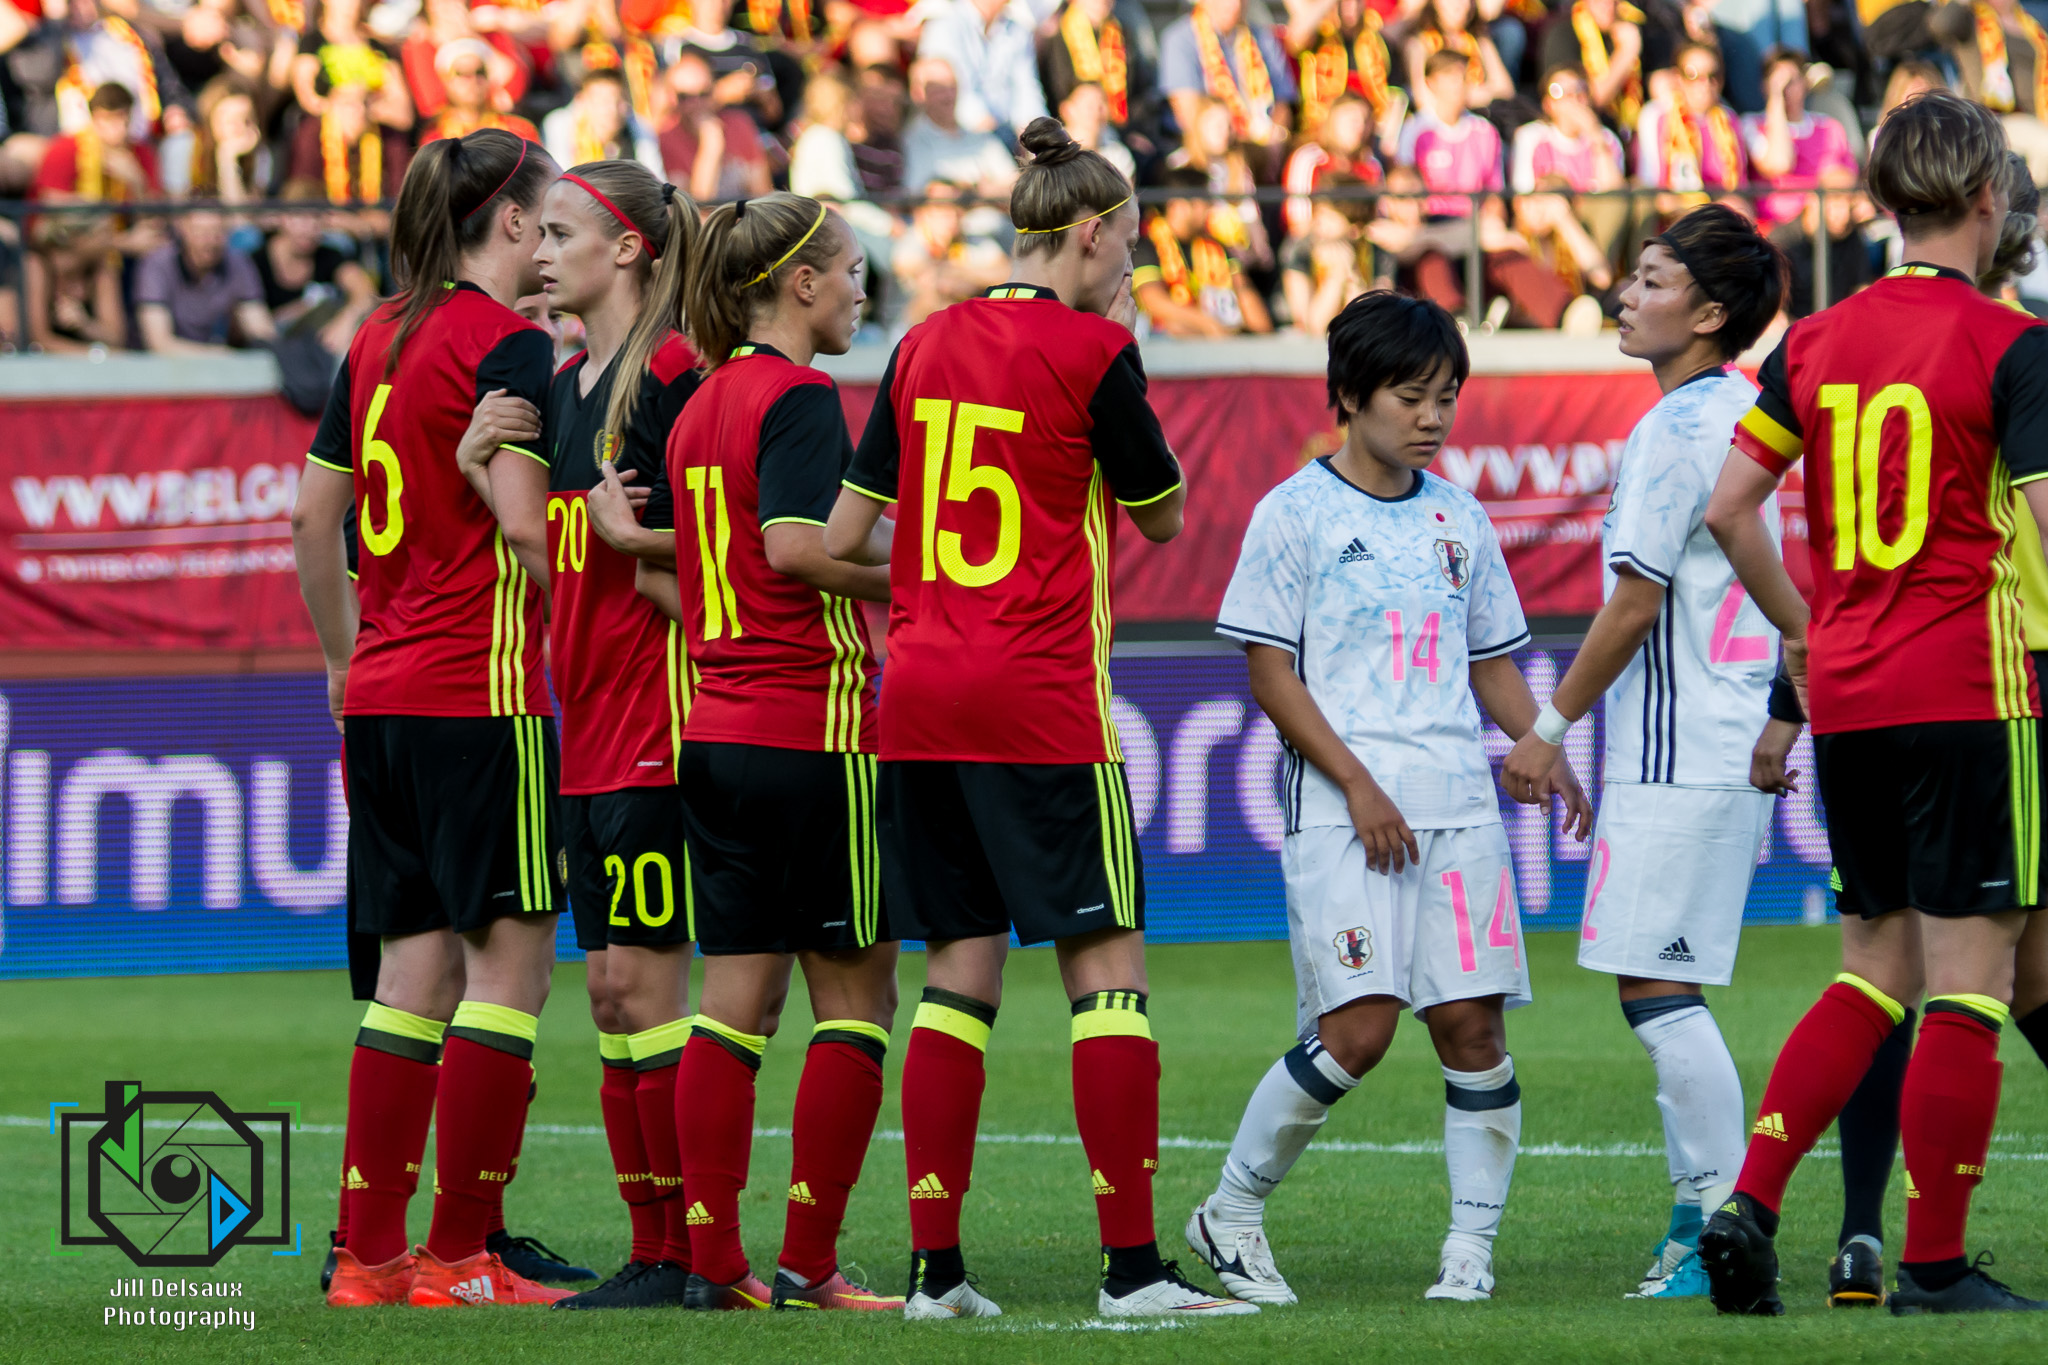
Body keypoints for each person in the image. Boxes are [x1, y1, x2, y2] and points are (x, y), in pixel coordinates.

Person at [824, 115, 1250, 1321]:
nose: (1133, 263)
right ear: (1090, 232)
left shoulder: (919, 342)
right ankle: (1130, 1273)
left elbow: (846, 537)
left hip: (917, 698)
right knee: (1105, 971)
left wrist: (937, 584)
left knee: (954, 977)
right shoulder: (1092, 350)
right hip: (1038, 698)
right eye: (1130, 241)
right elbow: (1161, 515)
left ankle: (934, 1275)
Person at [1698, 89, 2048, 1317]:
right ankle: (1933, 1266)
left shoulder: (1812, 340)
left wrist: (1804, 630)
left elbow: (1727, 509)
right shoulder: (2008, 343)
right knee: (1969, 975)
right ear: (1988, 197)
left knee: (1869, 969)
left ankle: (1747, 1202)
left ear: (1886, 202)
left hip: (1848, 694)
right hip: (1967, 686)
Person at [1190, 289, 1591, 1306]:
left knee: (1472, 1031)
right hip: (1345, 810)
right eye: (1410, 396)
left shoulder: (1460, 516)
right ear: (1349, 395)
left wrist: (1543, 742)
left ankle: (1469, 1250)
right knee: (1357, 1032)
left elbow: (1490, 660)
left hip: (1459, 809)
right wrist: (1360, 783)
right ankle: (1228, 1211)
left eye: (1445, 396)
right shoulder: (1293, 513)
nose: (1431, 416)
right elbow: (1270, 673)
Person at [293, 127, 575, 1311]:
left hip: (384, 697)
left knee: (409, 975)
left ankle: (368, 1259)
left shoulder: (377, 334)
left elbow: (312, 522)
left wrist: (341, 656)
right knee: (509, 973)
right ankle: (462, 1257)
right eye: (546, 220)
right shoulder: (510, 343)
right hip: (481, 694)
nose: (552, 240)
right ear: (508, 222)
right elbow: (524, 528)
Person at [1498, 204, 1787, 1301]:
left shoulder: (1675, 428)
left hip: (1681, 746)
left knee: (1655, 985)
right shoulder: (1740, 412)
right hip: (1720, 734)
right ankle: (1693, 1223)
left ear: (1708, 315)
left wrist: (1546, 729)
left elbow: (1632, 603)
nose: (1625, 294)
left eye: (1653, 280)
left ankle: (1720, 1230)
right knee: (1663, 981)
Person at [640, 191, 903, 1313]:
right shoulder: (798, 397)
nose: (859, 293)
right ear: (800, 283)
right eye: (850, 272)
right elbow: (794, 548)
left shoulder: (699, 403)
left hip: (715, 732)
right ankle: (807, 1263)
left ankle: (715, 1266)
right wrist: (925, 573)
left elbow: (709, 563)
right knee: (857, 1003)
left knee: (730, 1003)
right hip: (813, 733)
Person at [465, 162, 706, 1311]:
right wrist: (479, 470)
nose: (541, 252)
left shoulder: (674, 377)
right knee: (610, 993)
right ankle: (652, 1249)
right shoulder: (566, 386)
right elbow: (555, 568)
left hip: (663, 729)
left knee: (648, 993)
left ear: (628, 250)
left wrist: (643, 546)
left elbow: (736, 558)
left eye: (561, 234)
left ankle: (690, 1252)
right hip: (590, 734)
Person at [1400, 50, 1575, 329]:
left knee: (1509, 257)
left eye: (1462, 76)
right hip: (1432, 226)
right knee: (1431, 260)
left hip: (1477, 223)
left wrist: (1492, 223)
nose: (1459, 84)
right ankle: (1453, 319)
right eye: (1450, 77)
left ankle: (1565, 313)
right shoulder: (1415, 130)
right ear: (1431, 83)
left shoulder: (1484, 131)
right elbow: (1404, 192)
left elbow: (1494, 194)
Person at [1132, 165, 1273, 335]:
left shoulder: (1217, 247)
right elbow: (1154, 301)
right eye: (1204, 200)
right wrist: (1206, 323)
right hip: (1164, 340)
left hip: (1221, 337)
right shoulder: (1147, 244)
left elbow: (1245, 292)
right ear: (1180, 205)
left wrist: (1260, 334)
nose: (1210, 206)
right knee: (1176, 326)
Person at [1158, 0, 1297, 156]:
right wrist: (1235, 141)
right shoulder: (1180, 40)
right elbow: (1188, 116)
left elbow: (1282, 106)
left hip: (1263, 149)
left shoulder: (1264, 39)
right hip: (1206, 150)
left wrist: (1273, 135)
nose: (1235, 4)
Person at [1741, 47, 1856, 235]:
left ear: (1804, 83)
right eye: (1777, 82)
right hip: (1777, 226)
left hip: (1826, 220)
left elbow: (1848, 177)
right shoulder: (1751, 124)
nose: (1786, 89)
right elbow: (1779, 163)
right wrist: (1776, 100)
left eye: (1792, 81)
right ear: (1764, 86)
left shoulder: (1829, 127)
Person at [134, 209, 277, 354]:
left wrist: (267, 345)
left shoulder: (237, 261)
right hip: (159, 363)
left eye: (217, 233)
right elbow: (159, 344)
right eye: (201, 233)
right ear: (183, 230)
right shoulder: (157, 263)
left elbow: (258, 326)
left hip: (217, 355)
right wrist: (220, 355)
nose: (210, 241)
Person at [914, 0, 1047, 139]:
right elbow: (956, 97)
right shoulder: (944, 25)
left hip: (1007, 134)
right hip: (958, 136)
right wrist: (993, 137)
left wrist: (1036, 137)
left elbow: (1027, 91)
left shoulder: (1018, 30)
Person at [1635, 43, 1747, 194]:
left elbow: (1739, 185)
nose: (1705, 84)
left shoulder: (1729, 118)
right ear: (1678, 77)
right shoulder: (1656, 115)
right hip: (1673, 203)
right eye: (1693, 75)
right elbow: (1650, 184)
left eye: (1713, 75)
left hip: (1720, 204)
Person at [1283, 91, 1381, 242]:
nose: (1360, 127)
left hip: (1362, 241)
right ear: (1333, 120)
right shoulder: (1309, 159)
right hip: (1315, 243)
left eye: (1365, 120)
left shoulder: (1371, 165)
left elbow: (1380, 219)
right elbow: (1298, 224)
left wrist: (1350, 231)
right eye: (1353, 120)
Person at [1538, 0, 1645, 126]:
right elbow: (1587, 101)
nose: (1609, 5)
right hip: (1582, 130)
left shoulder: (1633, 25)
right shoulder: (1563, 33)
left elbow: (1659, 84)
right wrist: (1626, 52)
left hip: (1625, 129)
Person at [542, 69, 664, 175]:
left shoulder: (640, 129)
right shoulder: (560, 125)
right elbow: (561, 178)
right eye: (604, 102)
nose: (612, 110)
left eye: (619, 101)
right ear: (583, 101)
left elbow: (655, 179)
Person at [419, 39, 541, 144]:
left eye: (480, 72)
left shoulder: (519, 130)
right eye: (463, 73)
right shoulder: (434, 136)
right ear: (446, 80)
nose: (474, 80)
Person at [1403, 0, 1516, 111]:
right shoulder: (1419, 44)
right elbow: (1423, 100)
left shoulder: (1479, 40)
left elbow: (1505, 90)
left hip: (1478, 115)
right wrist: (1468, 96)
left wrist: (1464, 97)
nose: (1459, 5)